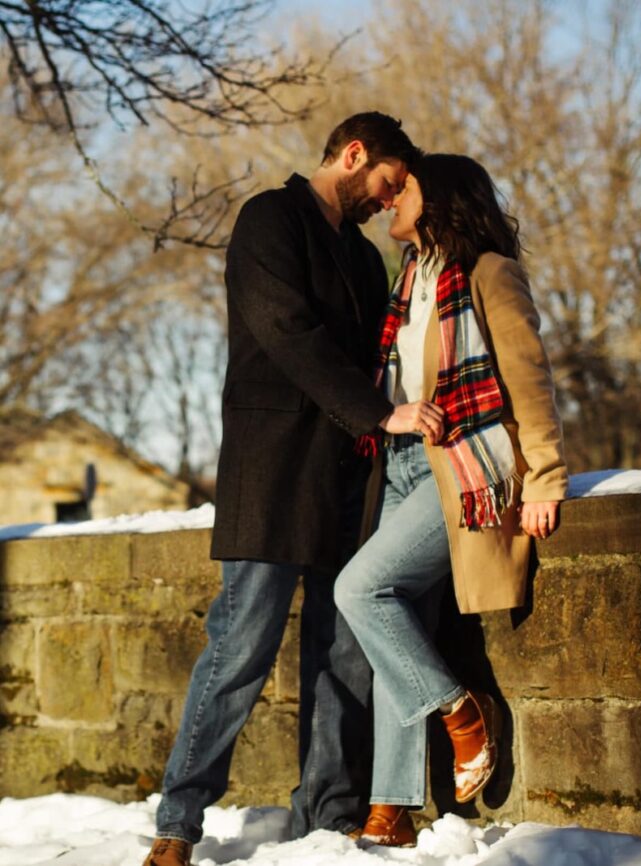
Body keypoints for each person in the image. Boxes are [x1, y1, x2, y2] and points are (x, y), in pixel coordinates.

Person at [142, 113, 436, 866]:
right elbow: (286, 330)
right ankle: (177, 824)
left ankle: (328, 819)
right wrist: (380, 412)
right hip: (271, 473)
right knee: (239, 649)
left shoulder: (364, 258)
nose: (388, 199)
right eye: (387, 183)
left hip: (348, 480)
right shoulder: (269, 219)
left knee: (343, 655)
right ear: (354, 154)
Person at [334, 153, 569, 847]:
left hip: (463, 469)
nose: (390, 198)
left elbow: (530, 381)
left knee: (361, 591)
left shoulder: (490, 273)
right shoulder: (409, 279)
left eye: (403, 189)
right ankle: (392, 805)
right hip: (402, 465)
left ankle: (461, 710)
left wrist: (545, 477)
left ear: (438, 200)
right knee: (395, 620)